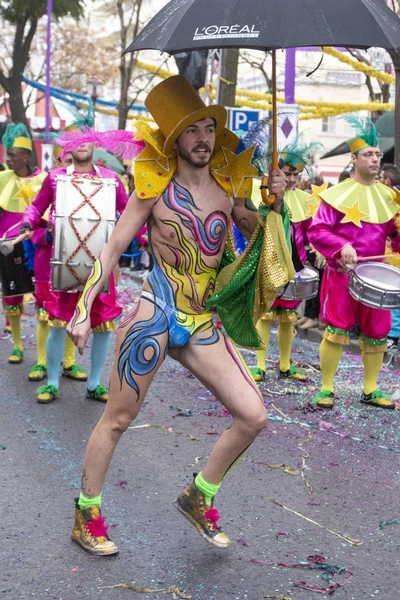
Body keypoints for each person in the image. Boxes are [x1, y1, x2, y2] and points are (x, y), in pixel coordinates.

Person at [66, 75, 288, 556]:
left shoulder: (231, 187)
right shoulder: (153, 187)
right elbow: (113, 247)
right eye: (193, 130)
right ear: (176, 139)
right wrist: (84, 309)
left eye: (209, 128)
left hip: (203, 319)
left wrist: (277, 201)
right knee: (118, 419)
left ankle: (198, 495)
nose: (204, 138)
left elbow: (267, 242)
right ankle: (87, 514)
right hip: (158, 309)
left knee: (253, 416)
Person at [21, 142, 129, 403]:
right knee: (58, 324)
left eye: (86, 141)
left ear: (95, 145)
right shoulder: (55, 178)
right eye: (75, 142)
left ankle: (94, 385)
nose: (82, 146)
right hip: (64, 262)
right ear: (68, 148)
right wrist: (28, 222)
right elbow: (36, 207)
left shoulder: (111, 180)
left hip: (100, 264)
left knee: (102, 325)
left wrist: (141, 237)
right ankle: (52, 383)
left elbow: (129, 213)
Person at [308, 116, 400, 409]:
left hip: (376, 276)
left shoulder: (390, 197)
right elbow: (317, 230)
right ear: (354, 159)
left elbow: (395, 235)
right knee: (336, 332)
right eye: (368, 154)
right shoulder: (335, 195)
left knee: (377, 333)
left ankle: (371, 389)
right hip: (342, 275)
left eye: (377, 154)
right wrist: (341, 246)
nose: (375, 159)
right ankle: (326, 388)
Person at [250, 138, 320, 383]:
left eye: (296, 174)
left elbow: (313, 232)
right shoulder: (263, 194)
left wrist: (318, 253)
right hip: (267, 264)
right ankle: (259, 366)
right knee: (265, 316)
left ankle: (285, 365)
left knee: (288, 320)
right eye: (288, 172)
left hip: (295, 267)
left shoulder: (306, 200)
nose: (291, 178)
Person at [27, 146, 87, 383]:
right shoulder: (50, 182)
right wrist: (48, 236)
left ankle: (69, 364)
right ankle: (42, 362)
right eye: (68, 158)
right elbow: (34, 227)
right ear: (62, 158)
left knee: (72, 312)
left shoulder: (89, 190)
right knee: (45, 315)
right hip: (47, 265)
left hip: (76, 261)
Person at [0, 123, 47, 363]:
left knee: (42, 300)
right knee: (11, 298)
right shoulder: (1, 179)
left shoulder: (44, 179)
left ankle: (42, 356)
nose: (6, 158)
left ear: (26, 156)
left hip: (37, 247)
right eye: (7, 153)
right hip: (7, 246)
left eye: (12, 154)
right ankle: (17, 346)